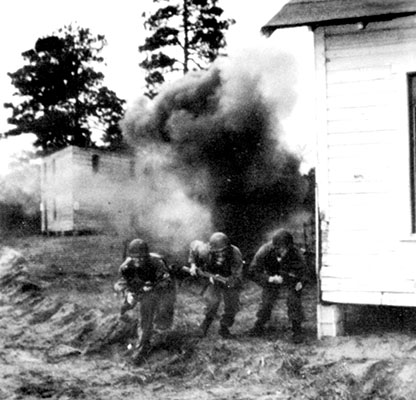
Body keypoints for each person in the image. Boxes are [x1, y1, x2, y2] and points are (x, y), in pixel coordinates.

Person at [113, 238, 175, 360]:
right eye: (135, 258)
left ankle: (148, 340)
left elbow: (167, 281)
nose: (139, 261)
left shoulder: (156, 262)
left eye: (142, 257)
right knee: (126, 306)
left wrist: (152, 287)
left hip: (160, 289)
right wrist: (128, 294)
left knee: (159, 312)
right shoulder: (126, 267)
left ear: (146, 256)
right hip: (138, 289)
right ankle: (129, 331)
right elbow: (119, 284)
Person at [247, 228, 306, 343]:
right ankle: (259, 325)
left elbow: (305, 272)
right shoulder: (264, 251)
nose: (283, 252)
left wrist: (301, 283)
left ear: (290, 247)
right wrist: (269, 279)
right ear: (274, 247)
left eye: (286, 249)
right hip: (271, 277)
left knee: (293, 299)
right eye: (280, 249)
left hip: (290, 277)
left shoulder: (296, 252)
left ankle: (297, 329)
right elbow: (252, 272)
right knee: (267, 301)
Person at [188, 232, 243, 338]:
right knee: (212, 301)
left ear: (227, 247)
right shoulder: (205, 249)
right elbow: (193, 245)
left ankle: (224, 328)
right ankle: (205, 326)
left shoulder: (235, 253)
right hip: (212, 277)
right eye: (217, 252)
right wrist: (193, 265)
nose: (220, 254)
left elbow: (237, 275)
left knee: (232, 305)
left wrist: (226, 281)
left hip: (229, 279)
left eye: (222, 251)